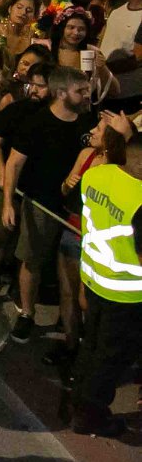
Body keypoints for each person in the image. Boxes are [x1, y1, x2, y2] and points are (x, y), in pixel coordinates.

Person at [2, 66, 98, 342]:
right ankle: (27, 313)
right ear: (60, 93)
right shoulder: (36, 123)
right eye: (80, 91)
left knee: (69, 270)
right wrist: (9, 202)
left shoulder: (86, 121)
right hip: (41, 203)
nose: (85, 95)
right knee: (32, 259)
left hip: (77, 209)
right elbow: (14, 163)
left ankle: (68, 319)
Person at [69, 120, 142, 437]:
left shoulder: (96, 175)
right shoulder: (140, 198)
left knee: (93, 347)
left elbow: (86, 227)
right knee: (111, 358)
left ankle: (80, 402)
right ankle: (91, 415)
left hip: (95, 279)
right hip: (127, 295)